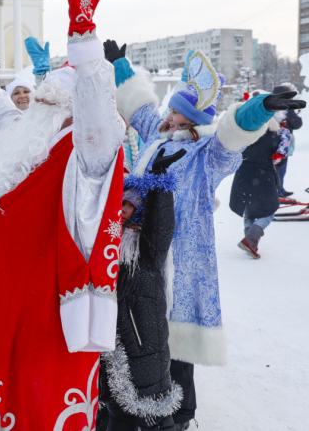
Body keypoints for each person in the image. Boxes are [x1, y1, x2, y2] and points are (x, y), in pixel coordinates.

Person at [0, 0, 126, 431]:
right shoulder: (30, 136)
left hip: (48, 304)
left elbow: (98, 108)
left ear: (68, 103)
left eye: (47, 97)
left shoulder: (86, 148)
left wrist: (84, 44)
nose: (34, 100)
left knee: (40, 398)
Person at [110, 40, 305, 429]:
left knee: (176, 333)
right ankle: (133, 397)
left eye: (179, 115)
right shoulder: (156, 134)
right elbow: (140, 106)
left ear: (192, 120)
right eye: (171, 112)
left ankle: (182, 413)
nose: (169, 118)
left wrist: (260, 107)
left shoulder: (206, 156)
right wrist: (119, 64)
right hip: (137, 246)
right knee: (139, 325)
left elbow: (232, 135)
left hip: (181, 251)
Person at [97, 148, 186, 431]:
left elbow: (161, 227)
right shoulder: (106, 243)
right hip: (111, 341)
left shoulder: (146, 251)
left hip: (144, 339)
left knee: (154, 410)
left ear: (141, 211)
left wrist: (159, 184)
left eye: (128, 204)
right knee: (116, 410)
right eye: (118, 203)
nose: (121, 209)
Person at [228, 93, 288, 259]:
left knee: (249, 209)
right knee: (269, 209)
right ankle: (251, 238)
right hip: (263, 176)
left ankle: (251, 241)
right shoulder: (276, 136)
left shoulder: (245, 133)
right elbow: (280, 159)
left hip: (242, 175)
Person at [271, 84, 303, 197]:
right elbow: (297, 123)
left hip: (277, 143)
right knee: (279, 169)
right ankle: (277, 192)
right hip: (280, 144)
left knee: (279, 169)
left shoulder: (270, 106)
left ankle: (280, 189)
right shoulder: (285, 109)